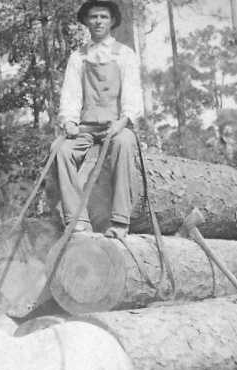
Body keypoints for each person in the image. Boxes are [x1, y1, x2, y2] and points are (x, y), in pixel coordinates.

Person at [55, 0, 143, 238]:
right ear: (86, 21)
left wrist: (122, 122)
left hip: (115, 125)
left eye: (103, 17)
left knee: (124, 143)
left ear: (112, 20)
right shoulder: (78, 57)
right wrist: (70, 122)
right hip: (86, 127)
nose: (98, 21)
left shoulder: (125, 54)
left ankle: (120, 221)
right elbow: (70, 94)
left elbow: (133, 94)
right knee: (62, 151)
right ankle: (77, 218)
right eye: (93, 17)